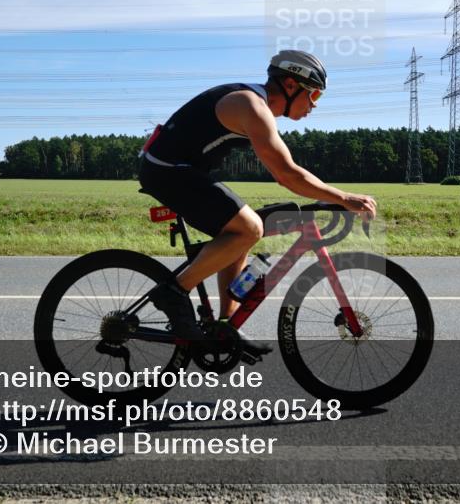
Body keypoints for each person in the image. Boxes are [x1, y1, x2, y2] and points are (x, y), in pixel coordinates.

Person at [138, 49, 377, 354]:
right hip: (166, 169)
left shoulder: (253, 103)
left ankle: (226, 325)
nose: (314, 105)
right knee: (249, 228)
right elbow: (288, 175)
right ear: (291, 85)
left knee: (242, 230)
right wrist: (344, 198)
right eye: (314, 94)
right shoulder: (252, 106)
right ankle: (174, 292)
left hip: (177, 168)